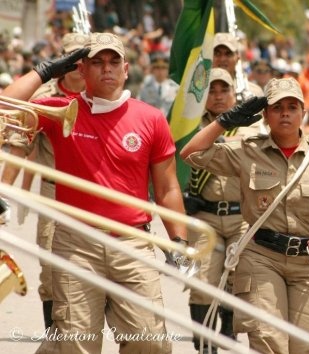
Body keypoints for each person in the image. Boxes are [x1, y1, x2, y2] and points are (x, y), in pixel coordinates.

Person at [1, 32, 187, 353]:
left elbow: (168, 187)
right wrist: (45, 70)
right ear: (81, 70)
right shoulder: (61, 109)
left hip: (134, 243)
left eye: (114, 61)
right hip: (76, 243)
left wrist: (179, 241)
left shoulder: (152, 118)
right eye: (97, 62)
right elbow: (5, 105)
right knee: (76, 344)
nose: (107, 69)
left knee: (152, 344)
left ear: (126, 69)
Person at [180, 77, 309, 354]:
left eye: (292, 106)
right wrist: (226, 121)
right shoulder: (247, 149)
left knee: (306, 347)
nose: (285, 113)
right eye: (276, 107)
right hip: (262, 259)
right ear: (265, 114)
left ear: (303, 113)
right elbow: (191, 153)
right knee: (268, 342)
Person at [0, 32, 88, 332]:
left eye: (83, 58)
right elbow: (20, 147)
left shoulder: (101, 92)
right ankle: (55, 336)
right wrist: (6, 193)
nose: (78, 65)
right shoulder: (41, 98)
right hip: (54, 193)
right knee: (52, 272)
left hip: (96, 192)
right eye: (71, 59)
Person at [185, 67, 261, 354]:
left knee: (237, 276)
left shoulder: (250, 125)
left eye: (223, 90)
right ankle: (203, 341)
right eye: (212, 91)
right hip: (205, 215)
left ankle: (228, 328)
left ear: (234, 92)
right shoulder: (191, 124)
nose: (218, 97)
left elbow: (256, 154)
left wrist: (223, 139)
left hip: (242, 216)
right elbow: (180, 156)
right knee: (202, 280)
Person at [212, 32, 263, 99]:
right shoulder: (199, 94)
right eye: (217, 53)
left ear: (237, 57)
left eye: (228, 54)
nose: (222, 59)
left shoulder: (253, 94)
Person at [137, 51, 178, 116]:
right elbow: (138, 108)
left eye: (164, 68)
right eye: (157, 68)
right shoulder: (145, 88)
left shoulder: (175, 89)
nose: (160, 71)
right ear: (152, 70)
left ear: (168, 70)